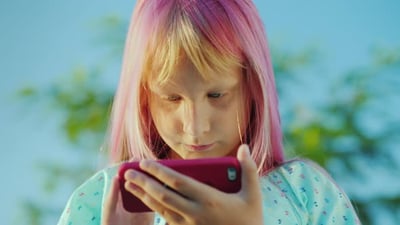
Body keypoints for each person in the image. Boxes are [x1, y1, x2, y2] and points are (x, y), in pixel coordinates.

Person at [57, 0, 361, 224]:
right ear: (143, 98)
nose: (195, 127)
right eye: (172, 98)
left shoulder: (304, 192)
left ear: (253, 86)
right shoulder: (102, 200)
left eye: (217, 95)